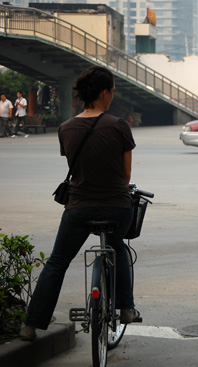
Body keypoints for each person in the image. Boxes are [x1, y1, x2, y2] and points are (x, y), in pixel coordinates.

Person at [20, 66, 140, 341]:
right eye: (112, 91)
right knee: (117, 246)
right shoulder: (119, 125)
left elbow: (79, 168)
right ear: (105, 93)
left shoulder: (66, 128)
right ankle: (126, 308)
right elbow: (126, 176)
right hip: (116, 206)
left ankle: (30, 325)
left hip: (78, 208)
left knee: (57, 262)